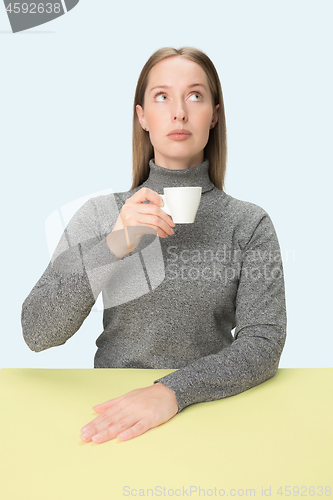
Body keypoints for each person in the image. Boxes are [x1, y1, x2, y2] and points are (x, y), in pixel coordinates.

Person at [21, 46, 287, 444]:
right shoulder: (102, 214)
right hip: (111, 415)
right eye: (162, 96)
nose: (179, 112)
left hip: (212, 414)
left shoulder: (248, 224)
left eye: (195, 95)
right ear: (142, 116)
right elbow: (36, 331)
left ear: (214, 113)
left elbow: (263, 342)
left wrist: (171, 391)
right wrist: (113, 245)